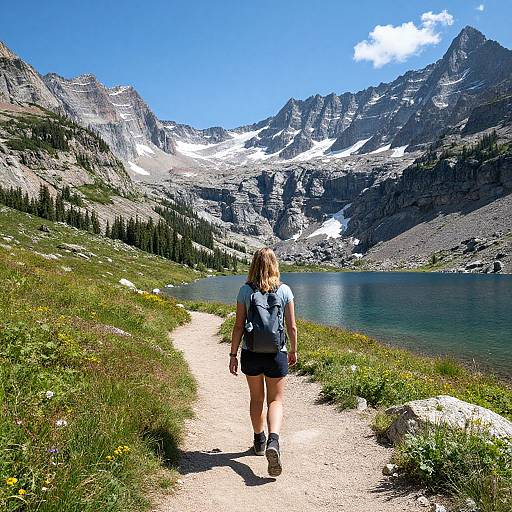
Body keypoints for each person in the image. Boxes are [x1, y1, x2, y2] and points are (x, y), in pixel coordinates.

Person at [229, 247, 297, 477]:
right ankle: (273, 442)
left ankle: (259, 441)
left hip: (251, 352)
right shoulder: (285, 290)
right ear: (275, 265)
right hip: (277, 352)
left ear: (254, 265)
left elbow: (238, 326)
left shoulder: (245, 291)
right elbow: (292, 326)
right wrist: (293, 351)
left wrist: (232, 355)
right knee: (275, 400)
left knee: (256, 398)